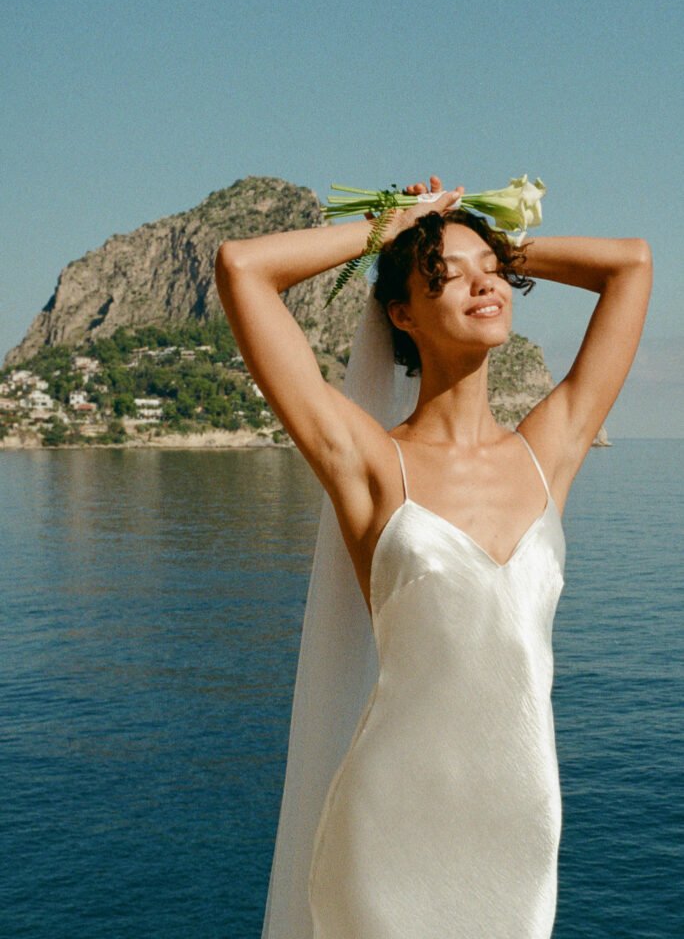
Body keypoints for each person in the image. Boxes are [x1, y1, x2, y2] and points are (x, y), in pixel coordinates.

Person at [214, 175, 652, 939]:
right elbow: (243, 267)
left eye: (493, 270)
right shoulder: (371, 464)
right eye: (443, 276)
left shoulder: (550, 451)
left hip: (519, 826)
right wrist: (395, 227)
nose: (483, 281)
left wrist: (487, 236)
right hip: (391, 824)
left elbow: (632, 266)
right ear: (401, 315)